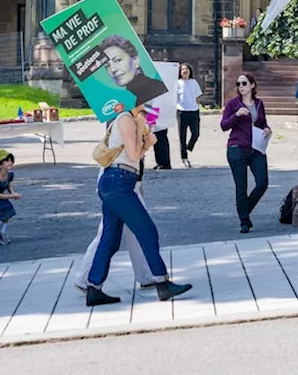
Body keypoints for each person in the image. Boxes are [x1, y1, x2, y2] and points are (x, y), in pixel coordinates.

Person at [84, 105, 191, 307]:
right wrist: (142, 130)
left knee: (111, 238)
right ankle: (162, 282)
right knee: (147, 230)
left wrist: (147, 143)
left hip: (117, 181)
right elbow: (133, 156)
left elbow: (134, 154)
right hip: (118, 181)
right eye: (145, 101)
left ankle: (93, 287)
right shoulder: (125, 119)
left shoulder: (130, 120)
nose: (148, 105)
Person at [72, 161, 156, 292]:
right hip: (120, 179)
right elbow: (133, 152)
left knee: (117, 233)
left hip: (121, 178)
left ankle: (146, 274)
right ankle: (85, 278)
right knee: (110, 234)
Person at [221, 73, 271, 233]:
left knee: (262, 183)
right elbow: (224, 125)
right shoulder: (233, 104)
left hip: (256, 148)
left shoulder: (259, 104)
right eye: (238, 84)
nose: (241, 87)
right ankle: (244, 221)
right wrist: (236, 115)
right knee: (241, 186)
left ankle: (244, 210)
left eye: (244, 83)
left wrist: (267, 129)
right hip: (237, 147)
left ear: (252, 85)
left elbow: (263, 123)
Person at [98, 36, 167, 105]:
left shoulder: (154, 91)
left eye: (118, 60)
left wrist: (146, 115)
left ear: (135, 60)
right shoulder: (141, 94)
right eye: (107, 66)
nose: (113, 69)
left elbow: (157, 113)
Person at [176, 63, 202, 168]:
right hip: (182, 111)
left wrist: (198, 105)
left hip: (194, 111)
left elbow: (197, 95)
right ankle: (184, 158)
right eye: (183, 69)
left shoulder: (193, 82)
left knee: (196, 133)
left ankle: (189, 146)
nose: (185, 71)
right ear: (180, 72)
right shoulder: (177, 83)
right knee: (182, 136)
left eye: (186, 69)